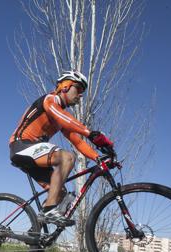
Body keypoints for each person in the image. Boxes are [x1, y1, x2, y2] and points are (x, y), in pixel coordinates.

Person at [9, 71, 113, 226]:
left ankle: (36, 239)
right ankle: (49, 210)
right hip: (21, 146)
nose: (80, 95)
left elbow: (78, 142)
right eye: (78, 89)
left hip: (33, 154)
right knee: (67, 157)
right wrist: (90, 133)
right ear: (65, 86)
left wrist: (98, 158)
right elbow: (64, 118)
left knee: (60, 193)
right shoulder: (50, 99)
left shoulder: (60, 119)